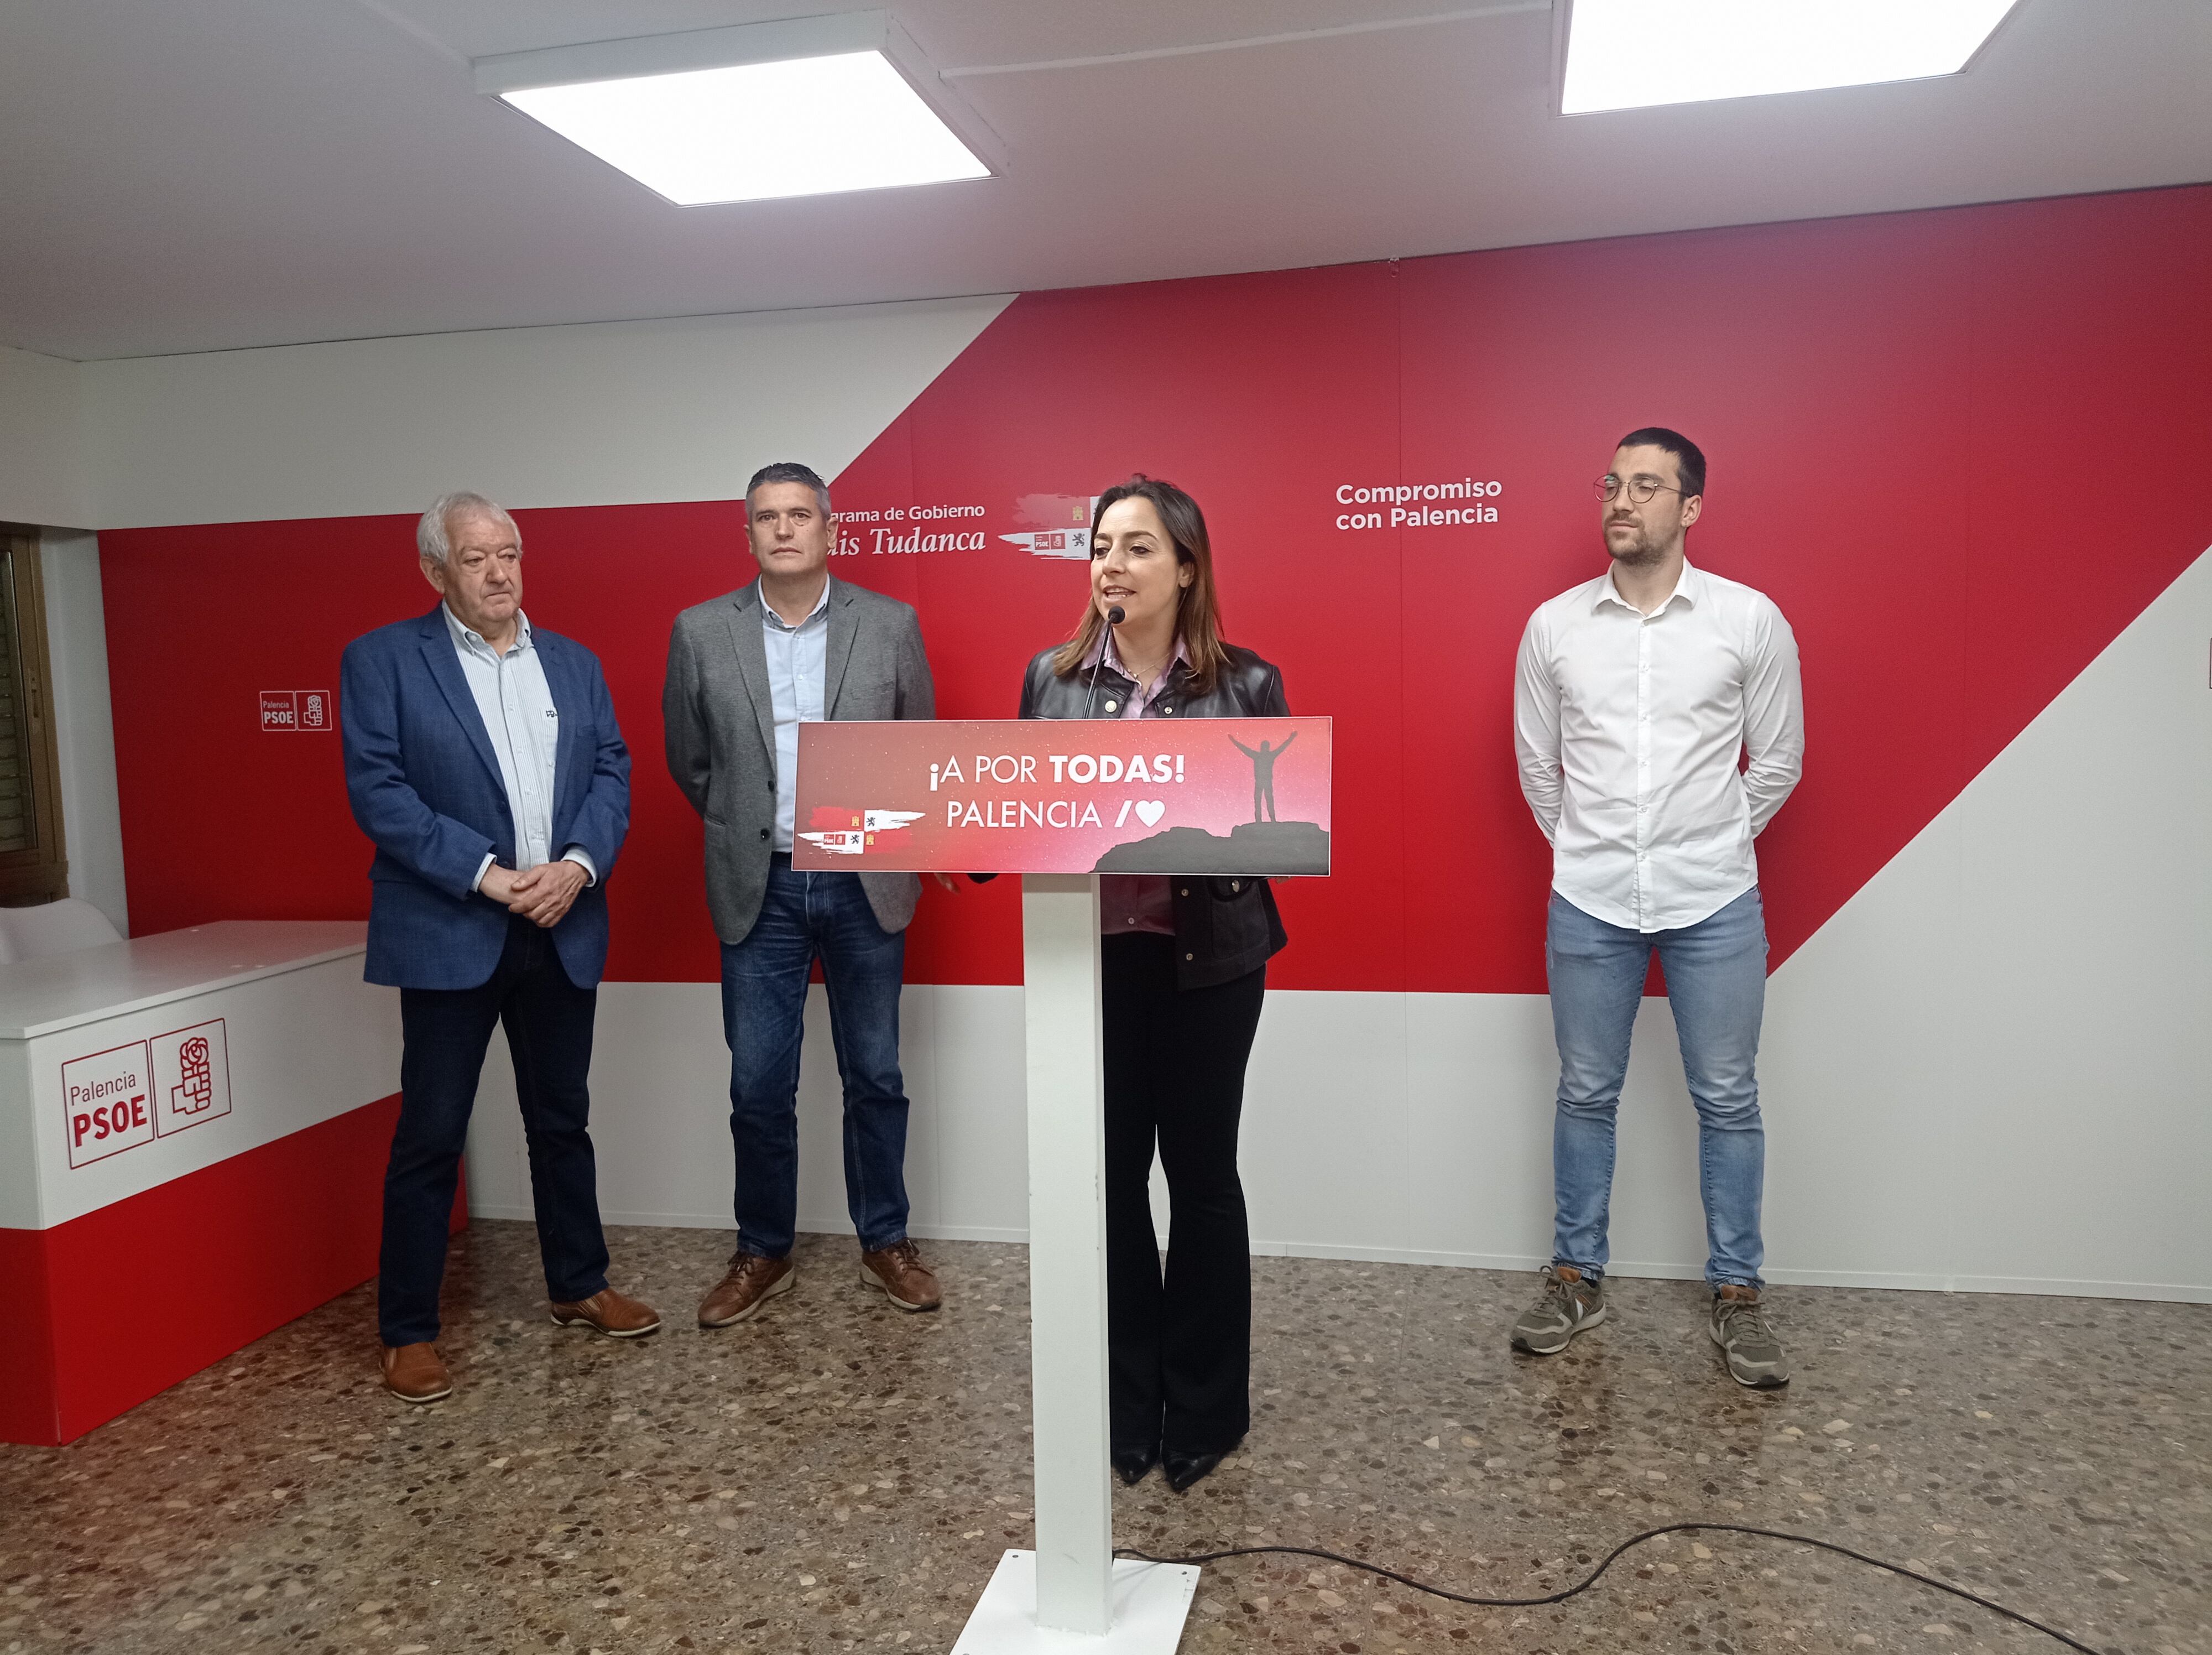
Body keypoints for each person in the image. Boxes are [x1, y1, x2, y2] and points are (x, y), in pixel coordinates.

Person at [342, 491, 659, 1405]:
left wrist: (579, 865)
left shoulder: (572, 662)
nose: (499, 573)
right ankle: (407, 1331)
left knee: (562, 1122)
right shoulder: (383, 662)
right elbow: (382, 793)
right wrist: (488, 875)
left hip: (562, 923)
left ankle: (579, 1284)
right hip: (454, 928)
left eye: (510, 554)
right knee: (432, 1135)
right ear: (436, 572)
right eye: (477, 558)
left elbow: (611, 771)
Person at [1510, 428, 1804, 1387]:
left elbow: (1780, 761)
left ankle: (1738, 1292)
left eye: (1647, 486)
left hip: (1714, 897)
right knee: (1585, 1093)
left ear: (1692, 508)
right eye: (1612, 483)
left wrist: (1708, 838)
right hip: (1588, 897)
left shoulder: (1749, 620)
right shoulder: (1554, 626)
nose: (1621, 501)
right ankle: (1576, 1278)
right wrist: (1595, 848)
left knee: (1728, 1097)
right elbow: (1539, 767)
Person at [1016, 475, 1290, 1492]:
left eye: (1137, 548)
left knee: (1204, 1181)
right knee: (1112, 1184)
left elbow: (1273, 837)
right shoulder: (1049, 681)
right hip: (1092, 963)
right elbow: (1021, 812)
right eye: (1100, 547)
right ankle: (1126, 1402)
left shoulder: (1247, 683)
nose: (1112, 566)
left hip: (1209, 962)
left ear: (1185, 567)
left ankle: (1208, 1407)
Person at [663, 461, 946, 1329]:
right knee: (758, 1084)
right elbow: (691, 761)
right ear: (747, 535)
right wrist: (746, 824)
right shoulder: (701, 631)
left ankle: (886, 1241)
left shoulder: (890, 625)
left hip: (867, 882)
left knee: (876, 1074)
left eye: (798, 515)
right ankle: (762, 1250)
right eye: (765, 518)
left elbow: (917, 745)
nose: (782, 530)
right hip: (762, 886)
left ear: (830, 531)